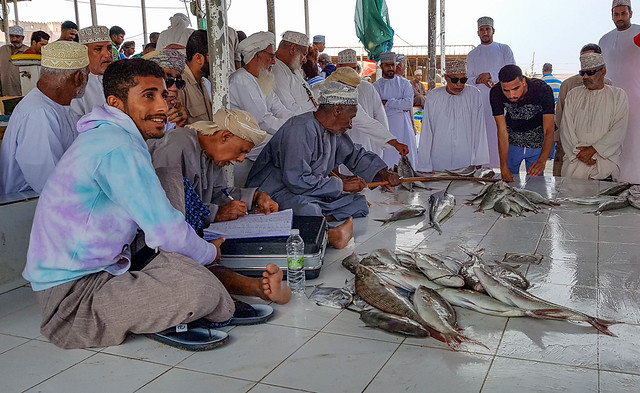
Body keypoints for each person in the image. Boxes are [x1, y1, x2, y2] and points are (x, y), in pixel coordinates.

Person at [22, 58, 290, 350]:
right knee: (198, 289)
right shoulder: (117, 146)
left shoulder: (117, 137)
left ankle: (201, 296)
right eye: (148, 96)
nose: (163, 107)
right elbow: (167, 233)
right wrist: (209, 252)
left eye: (163, 95)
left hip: (113, 268)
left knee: (172, 199)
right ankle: (197, 304)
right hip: (73, 300)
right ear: (117, 103)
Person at [246, 81, 401, 249]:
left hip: (307, 191)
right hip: (275, 192)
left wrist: (383, 172)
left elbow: (354, 155)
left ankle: (318, 221)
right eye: (350, 119)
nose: (350, 125)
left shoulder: (333, 132)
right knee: (309, 210)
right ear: (337, 110)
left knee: (358, 203)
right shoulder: (299, 129)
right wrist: (340, 185)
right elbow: (296, 180)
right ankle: (325, 231)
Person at [150, 109, 279, 227]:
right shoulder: (175, 147)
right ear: (225, 136)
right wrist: (216, 214)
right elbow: (166, 205)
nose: (241, 159)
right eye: (241, 151)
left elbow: (219, 193)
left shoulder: (212, 156)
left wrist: (256, 197)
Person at [0, 41, 89, 195]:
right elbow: (50, 186)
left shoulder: (58, 106)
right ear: (78, 77)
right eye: (87, 74)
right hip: (28, 205)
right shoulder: (40, 114)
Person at [228, 31, 295, 185]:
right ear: (256, 55)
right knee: (287, 145)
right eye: (271, 56)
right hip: (243, 138)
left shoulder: (262, 79)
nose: (274, 62)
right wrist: (291, 131)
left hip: (259, 135)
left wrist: (297, 123)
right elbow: (262, 121)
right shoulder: (241, 80)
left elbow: (278, 108)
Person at [559, 53, 628, 180]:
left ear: (603, 72)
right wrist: (579, 154)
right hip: (575, 164)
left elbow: (618, 130)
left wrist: (593, 151)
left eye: (590, 72)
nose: (585, 77)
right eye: (582, 73)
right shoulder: (573, 95)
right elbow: (566, 129)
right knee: (572, 199)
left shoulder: (618, 95)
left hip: (604, 164)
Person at [417, 59, 489, 172]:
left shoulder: (474, 95)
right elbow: (427, 131)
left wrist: (479, 159)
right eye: (455, 80)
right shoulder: (434, 96)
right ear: (446, 77)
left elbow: (479, 128)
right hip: (439, 158)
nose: (459, 84)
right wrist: (424, 164)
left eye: (463, 80)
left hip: (465, 158)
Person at [554, 43, 613, 176]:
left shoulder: (610, 87)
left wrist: (594, 150)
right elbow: (561, 119)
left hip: (598, 154)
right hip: (569, 149)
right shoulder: (568, 85)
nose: (587, 62)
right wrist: (575, 151)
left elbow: (613, 125)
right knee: (563, 187)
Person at [332, 58, 407, 159]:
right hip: (329, 145)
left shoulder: (364, 88)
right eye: (348, 69)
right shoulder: (321, 90)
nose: (351, 73)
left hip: (363, 141)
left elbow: (367, 122)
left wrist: (393, 142)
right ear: (338, 68)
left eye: (354, 69)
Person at [490, 64, 555, 181]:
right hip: (512, 143)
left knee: (536, 184)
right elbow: (502, 130)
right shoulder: (496, 92)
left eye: (515, 89)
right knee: (509, 185)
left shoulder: (542, 90)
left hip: (537, 144)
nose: (511, 95)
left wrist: (542, 161)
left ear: (523, 82)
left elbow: (548, 130)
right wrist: (503, 166)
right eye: (506, 90)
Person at [599, 0, 640, 184]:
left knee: (634, 140)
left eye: (623, 13)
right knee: (613, 139)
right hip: (609, 100)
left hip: (636, 100)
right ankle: (615, 179)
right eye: (616, 14)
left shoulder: (639, 32)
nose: (620, 18)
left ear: (631, 13)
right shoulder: (604, 39)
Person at [466, 16, 516, 168]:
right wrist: (478, 79)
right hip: (479, 102)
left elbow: (512, 71)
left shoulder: (504, 49)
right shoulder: (472, 55)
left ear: (493, 31)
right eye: (482, 30)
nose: (485, 32)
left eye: (487, 29)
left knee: (499, 133)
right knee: (481, 134)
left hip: (501, 99)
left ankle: (500, 166)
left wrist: (492, 75)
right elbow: (468, 79)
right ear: (478, 33)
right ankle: (481, 167)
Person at [373, 51, 418, 167]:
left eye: (392, 65)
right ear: (381, 66)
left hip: (404, 127)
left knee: (406, 157)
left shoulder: (405, 84)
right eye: (387, 65)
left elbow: (408, 105)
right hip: (385, 126)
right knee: (388, 157)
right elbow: (377, 107)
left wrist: (387, 102)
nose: (391, 68)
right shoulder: (376, 87)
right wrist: (398, 106)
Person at [70, 26, 113, 119]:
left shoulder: (123, 79)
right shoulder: (76, 86)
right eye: (98, 49)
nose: (107, 55)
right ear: (84, 53)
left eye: (109, 48)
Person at [273, 31, 317, 116]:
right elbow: (288, 107)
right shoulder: (276, 70)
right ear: (292, 49)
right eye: (303, 54)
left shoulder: (293, 67)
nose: (304, 60)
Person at [143, 49, 188, 130]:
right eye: (167, 81)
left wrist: (179, 127)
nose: (174, 88)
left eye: (178, 82)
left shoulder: (172, 115)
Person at [178, 30, 213, 124]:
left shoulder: (205, 82)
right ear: (198, 58)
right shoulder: (179, 84)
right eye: (214, 56)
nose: (219, 62)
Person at [0, 25, 28, 97]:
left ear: (23, 38)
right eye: (12, 36)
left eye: (17, 37)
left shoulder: (27, 52)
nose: (14, 39)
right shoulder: (2, 50)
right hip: (4, 93)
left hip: (21, 94)